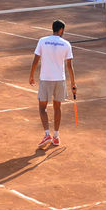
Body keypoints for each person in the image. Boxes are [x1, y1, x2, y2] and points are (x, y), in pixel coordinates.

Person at [29, 19, 77, 148]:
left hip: (45, 79)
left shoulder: (42, 41)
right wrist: (73, 83)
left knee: (42, 108)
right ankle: (56, 136)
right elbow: (69, 66)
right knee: (57, 107)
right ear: (61, 30)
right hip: (59, 80)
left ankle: (46, 134)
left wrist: (31, 76)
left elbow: (35, 61)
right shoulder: (66, 44)